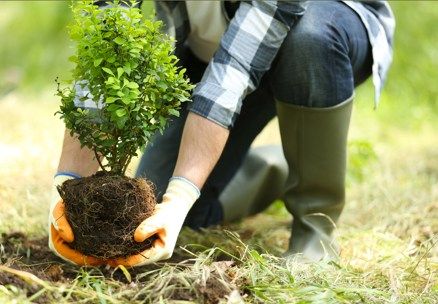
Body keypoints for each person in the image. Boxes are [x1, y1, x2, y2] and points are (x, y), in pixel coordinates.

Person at [49, 1, 395, 266]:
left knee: (309, 41)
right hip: (211, 51)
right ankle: (280, 166)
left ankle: (314, 225)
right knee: (164, 210)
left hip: (321, 31)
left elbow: (233, 72)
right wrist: (68, 184)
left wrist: (181, 194)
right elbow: (107, 43)